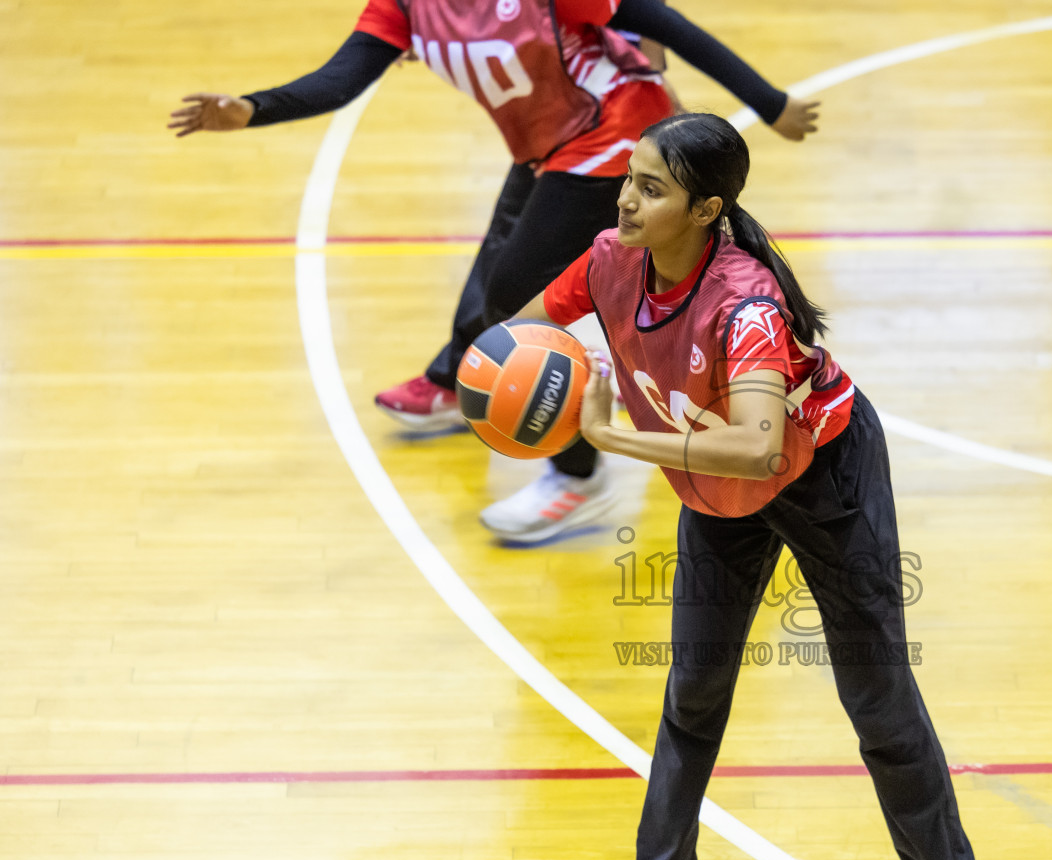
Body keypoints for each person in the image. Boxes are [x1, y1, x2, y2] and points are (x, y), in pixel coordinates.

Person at [512, 112, 993, 860]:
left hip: (823, 480)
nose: (626, 196)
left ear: (706, 209)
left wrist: (614, 436)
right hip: (718, 495)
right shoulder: (613, 257)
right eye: (629, 176)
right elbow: (522, 333)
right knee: (692, 688)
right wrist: (503, 383)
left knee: (877, 696)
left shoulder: (746, 304)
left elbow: (758, 446)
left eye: (651, 187)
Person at [168, 0, 819, 544]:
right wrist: (251, 108)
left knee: (515, 294)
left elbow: (656, 17)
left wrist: (769, 102)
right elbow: (343, 77)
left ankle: (579, 475)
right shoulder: (402, 6)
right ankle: (458, 377)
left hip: (616, 130)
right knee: (499, 263)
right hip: (551, 141)